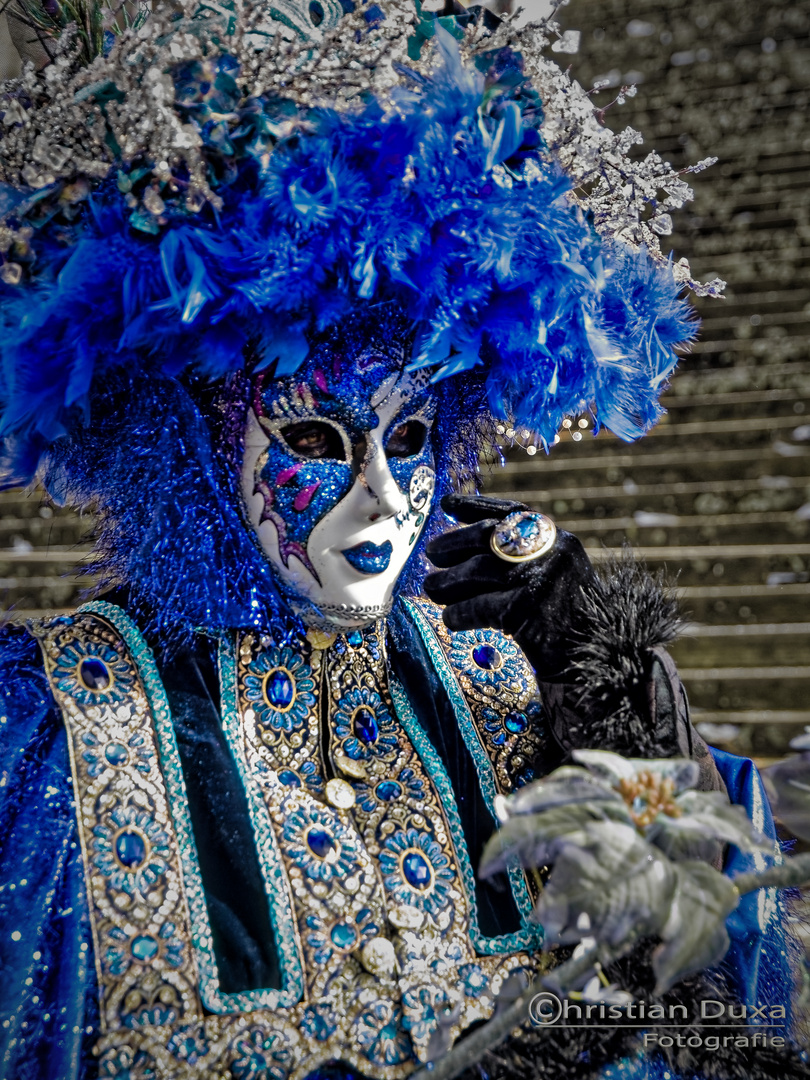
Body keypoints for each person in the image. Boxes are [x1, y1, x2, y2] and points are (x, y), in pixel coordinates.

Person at [0, 1, 799, 1078]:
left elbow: (730, 1019)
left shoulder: (513, 694)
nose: (384, 495)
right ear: (183, 437)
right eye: (319, 437)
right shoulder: (49, 735)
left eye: (414, 435)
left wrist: (632, 733)